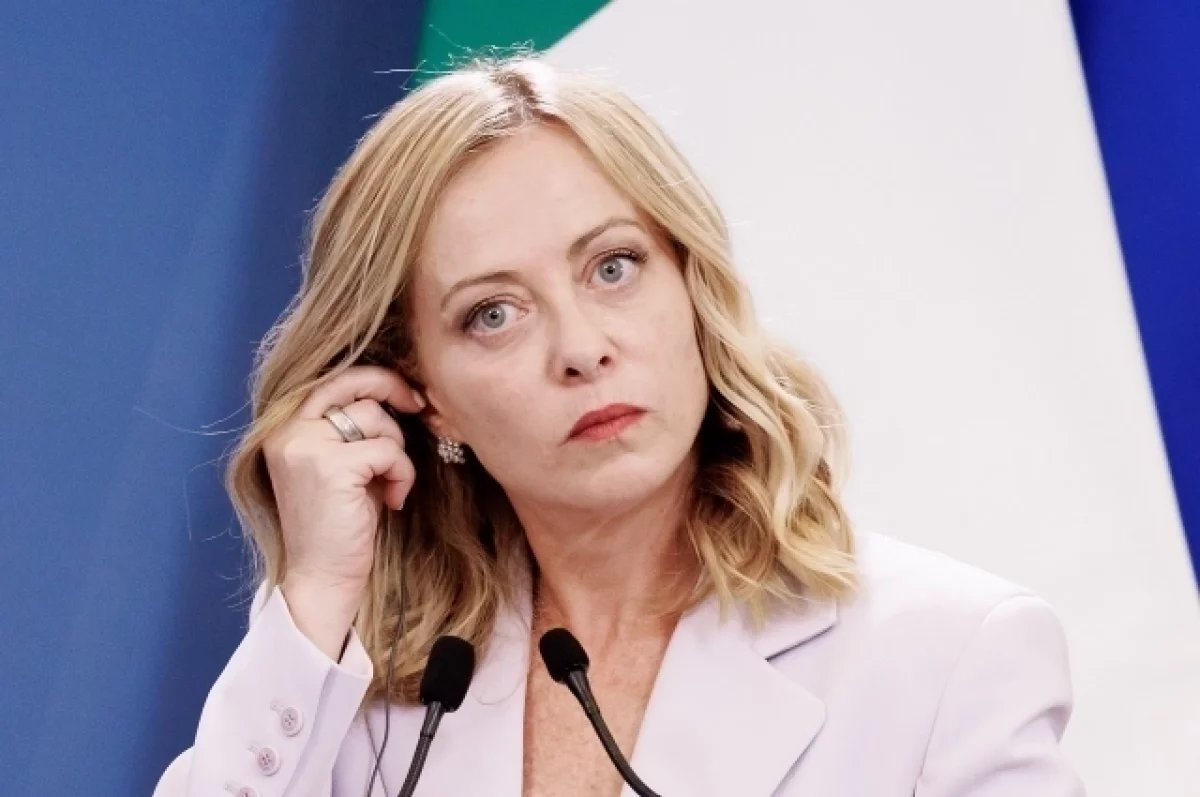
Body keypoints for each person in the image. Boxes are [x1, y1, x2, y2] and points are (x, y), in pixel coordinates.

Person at [153, 57, 1084, 797]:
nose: (581, 348)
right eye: (493, 313)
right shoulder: (366, 697)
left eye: (612, 267)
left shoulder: (950, 656)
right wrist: (318, 590)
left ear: (692, 283)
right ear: (421, 394)